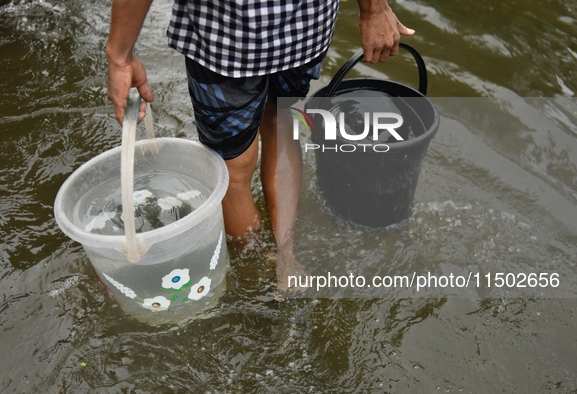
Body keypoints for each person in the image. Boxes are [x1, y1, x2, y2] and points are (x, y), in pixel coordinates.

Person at [106, 0, 414, 286]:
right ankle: (287, 258)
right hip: (305, 28)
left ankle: (254, 276)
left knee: (235, 167)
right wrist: (373, 10)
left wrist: (120, 57)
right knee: (280, 120)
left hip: (225, 35)